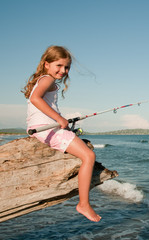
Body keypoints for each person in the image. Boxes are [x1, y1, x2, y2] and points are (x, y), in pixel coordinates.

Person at [22, 45, 101, 222]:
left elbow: (41, 105)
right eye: (59, 65)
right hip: (46, 128)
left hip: (42, 127)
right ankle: (84, 204)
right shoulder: (47, 79)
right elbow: (35, 99)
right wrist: (59, 119)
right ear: (46, 64)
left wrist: (61, 121)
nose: (63, 70)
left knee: (79, 145)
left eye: (66, 67)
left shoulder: (44, 79)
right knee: (88, 156)